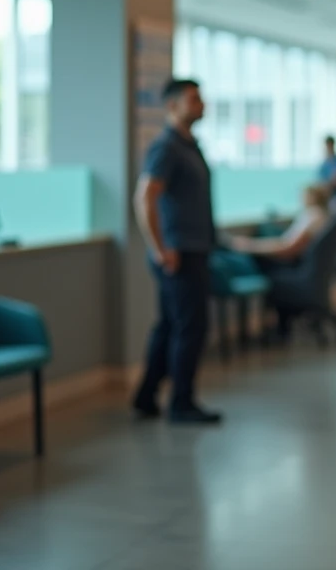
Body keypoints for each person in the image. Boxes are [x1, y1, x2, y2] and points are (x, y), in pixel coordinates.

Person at [131, 79, 222, 425]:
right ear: (172, 106)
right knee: (190, 328)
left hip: (195, 248)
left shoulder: (190, 146)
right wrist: (160, 248)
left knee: (171, 326)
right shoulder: (166, 147)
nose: (202, 105)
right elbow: (145, 197)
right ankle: (181, 403)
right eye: (194, 99)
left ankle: (146, 395)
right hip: (178, 253)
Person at [232, 185, 332, 262]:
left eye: (305, 195)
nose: (302, 199)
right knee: (267, 226)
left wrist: (249, 246)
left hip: (285, 254)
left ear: (313, 197)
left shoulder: (314, 215)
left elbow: (288, 248)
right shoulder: (316, 215)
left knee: (265, 228)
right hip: (284, 245)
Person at [317, 136, 336, 200]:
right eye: (326, 146)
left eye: (329, 146)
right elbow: (320, 181)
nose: (327, 148)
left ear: (333, 145)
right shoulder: (324, 164)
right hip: (325, 197)